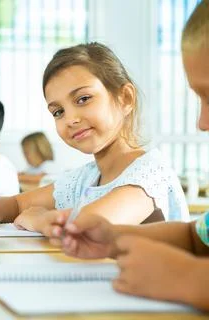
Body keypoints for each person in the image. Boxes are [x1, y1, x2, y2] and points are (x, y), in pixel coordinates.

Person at [50, 1, 209, 312]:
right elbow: (196, 238)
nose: (201, 123)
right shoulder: (85, 173)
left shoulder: (147, 171)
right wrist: (114, 238)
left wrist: (188, 277)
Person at [0, 42, 189, 231]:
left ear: (125, 98)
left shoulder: (150, 174)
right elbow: (16, 203)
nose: (70, 119)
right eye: (58, 112)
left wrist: (40, 219)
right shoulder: (85, 179)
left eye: (83, 99)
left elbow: (85, 230)